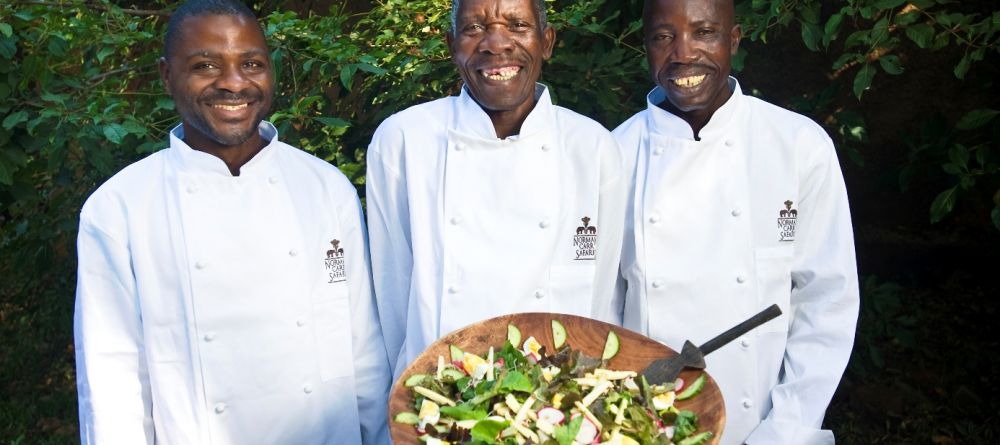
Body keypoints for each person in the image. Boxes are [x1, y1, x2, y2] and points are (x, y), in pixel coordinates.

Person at [73, 1, 390, 443]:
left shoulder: (325, 188)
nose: (234, 83)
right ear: (167, 75)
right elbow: (112, 381)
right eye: (205, 65)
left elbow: (365, 350)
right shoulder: (119, 210)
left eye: (252, 64)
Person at [613, 0, 859, 443]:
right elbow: (601, 313)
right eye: (663, 37)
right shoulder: (613, 156)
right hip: (644, 423)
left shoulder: (799, 145)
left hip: (764, 422)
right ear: (645, 46)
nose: (683, 53)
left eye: (704, 32)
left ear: (734, 39)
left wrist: (788, 427)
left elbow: (827, 302)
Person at [367, 0, 628, 378]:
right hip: (439, 393)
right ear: (451, 45)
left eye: (518, 25)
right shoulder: (403, 140)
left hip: (557, 400)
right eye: (475, 28)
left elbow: (601, 298)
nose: (497, 44)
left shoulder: (592, 147)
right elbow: (392, 294)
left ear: (547, 41)